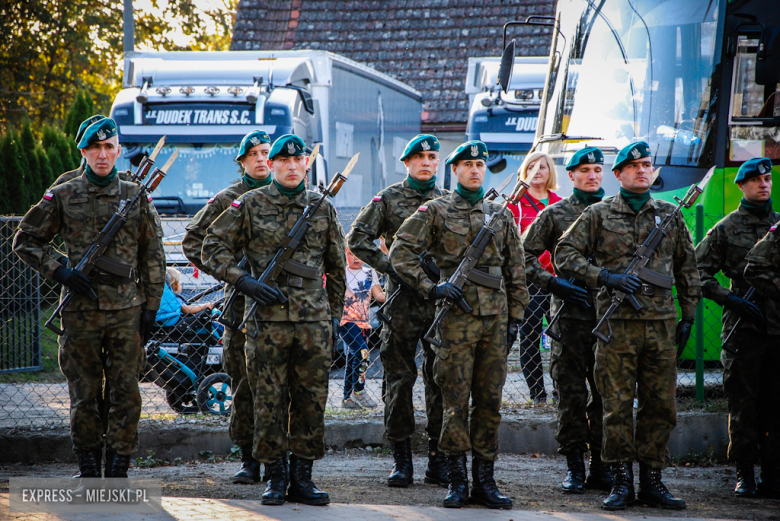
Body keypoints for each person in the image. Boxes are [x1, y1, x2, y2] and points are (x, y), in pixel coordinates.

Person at [13, 117, 165, 479]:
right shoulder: (64, 193)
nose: (102, 155)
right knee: (84, 393)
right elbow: (26, 240)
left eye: (109, 147)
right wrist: (60, 271)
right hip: (80, 312)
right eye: (95, 148)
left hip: (128, 310)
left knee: (125, 392)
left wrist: (153, 306)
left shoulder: (136, 194)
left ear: (118, 150)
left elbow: (153, 254)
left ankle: (118, 469)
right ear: (83, 151)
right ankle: (88, 467)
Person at [556, 141, 701, 511]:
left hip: (661, 327)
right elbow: (564, 254)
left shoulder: (670, 214)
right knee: (615, 406)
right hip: (617, 327)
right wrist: (604, 276)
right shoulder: (599, 214)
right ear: (618, 174)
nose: (641, 170)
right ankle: (621, 481)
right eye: (632, 165)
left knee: (660, 406)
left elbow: (687, 269)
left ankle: (653, 481)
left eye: (647, 164)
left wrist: (687, 317)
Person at [202, 134, 346, 507]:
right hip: (266, 323)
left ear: (306, 165)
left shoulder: (322, 207)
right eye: (284, 160)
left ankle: (303, 477)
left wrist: (333, 317)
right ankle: (275, 477)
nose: (293, 166)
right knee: (268, 400)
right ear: (274, 165)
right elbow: (210, 247)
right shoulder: (249, 204)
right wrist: (244, 281)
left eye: (299, 161)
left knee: (311, 400)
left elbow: (337, 267)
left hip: (312, 322)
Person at [390, 140, 529, 509]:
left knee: (490, 402)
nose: (475, 170)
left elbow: (517, 270)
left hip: (494, 322)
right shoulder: (435, 210)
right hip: (455, 322)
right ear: (454, 170)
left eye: (480, 164)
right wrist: (431, 287)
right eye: (467, 164)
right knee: (454, 402)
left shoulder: (502, 214)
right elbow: (399, 253)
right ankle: (456, 480)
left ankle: (485, 480)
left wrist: (516, 316)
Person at [347, 134, 449, 488]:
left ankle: (438, 459)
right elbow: (357, 238)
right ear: (406, 163)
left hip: (439, 302)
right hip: (401, 302)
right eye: (418, 157)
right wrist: (391, 266)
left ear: (438, 162)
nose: (426, 162)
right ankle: (402, 461)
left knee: (441, 381)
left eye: (432, 156)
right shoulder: (389, 199)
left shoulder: (448, 201)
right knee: (399, 381)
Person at [181, 129, 272, 485]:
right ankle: (249, 459)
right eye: (255, 154)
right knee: (244, 385)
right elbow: (193, 242)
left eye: (268, 152)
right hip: (241, 310)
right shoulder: (227, 199)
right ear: (243, 161)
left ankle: (281, 461)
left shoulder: (291, 197)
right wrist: (233, 273)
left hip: (284, 309)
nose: (263, 159)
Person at [521, 147, 612, 493]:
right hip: (569, 319)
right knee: (570, 394)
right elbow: (524, 254)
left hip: (609, 316)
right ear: (571, 175)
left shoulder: (614, 213)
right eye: (584, 170)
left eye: (597, 169)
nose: (591, 175)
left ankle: (602, 467)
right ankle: (575, 465)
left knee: (606, 394)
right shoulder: (555, 213)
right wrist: (552, 282)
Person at [699, 157, 780, 499]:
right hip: (744, 327)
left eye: (768, 179)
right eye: (756, 180)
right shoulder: (726, 228)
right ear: (742, 185)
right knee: (743, 404)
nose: (764, 184)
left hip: (777, 325)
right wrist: (730, 300)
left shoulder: (778, 223)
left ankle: (773, 475)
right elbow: (698, 272)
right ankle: (744, 473)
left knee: (775, 405)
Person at [511, 151, 562, 405]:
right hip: (528, 282)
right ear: (524, 170)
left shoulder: (562, 203)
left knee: (561, 338)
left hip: (558, 283)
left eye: (543, 166)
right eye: (532, 166)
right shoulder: (514, 205)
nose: (538, 170)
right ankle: (537, 395)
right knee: (529, 338)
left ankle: (561, 392)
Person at [340, 245, 385, 410]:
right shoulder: (341, 273)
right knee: (363, 352)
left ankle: (347, 398)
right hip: (345, 321)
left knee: (353, 357)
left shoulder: (369, 272)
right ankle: (359, 391)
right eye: (352, 254)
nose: (356, 258)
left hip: (363, 323)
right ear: (345, 252)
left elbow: (379, 296)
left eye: (359, 254)